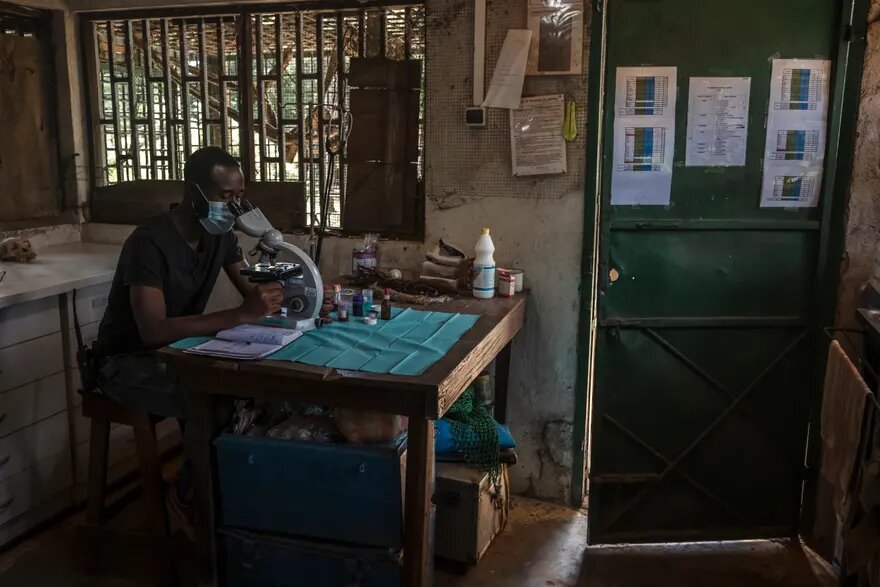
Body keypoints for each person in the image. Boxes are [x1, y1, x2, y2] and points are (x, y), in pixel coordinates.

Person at [93, 146, 283, 535]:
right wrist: (239, 315)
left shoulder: (220, 236)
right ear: (192, 191)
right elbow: (153, 332)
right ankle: (187, 498)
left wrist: (294, 296)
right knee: (212, 403)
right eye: (224, 196)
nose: (233, 207)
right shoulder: (148, 243)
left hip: (177, 353)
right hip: (125, 360)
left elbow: (253, 289)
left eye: (239, 197)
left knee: (253, 392)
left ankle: (224, 498)